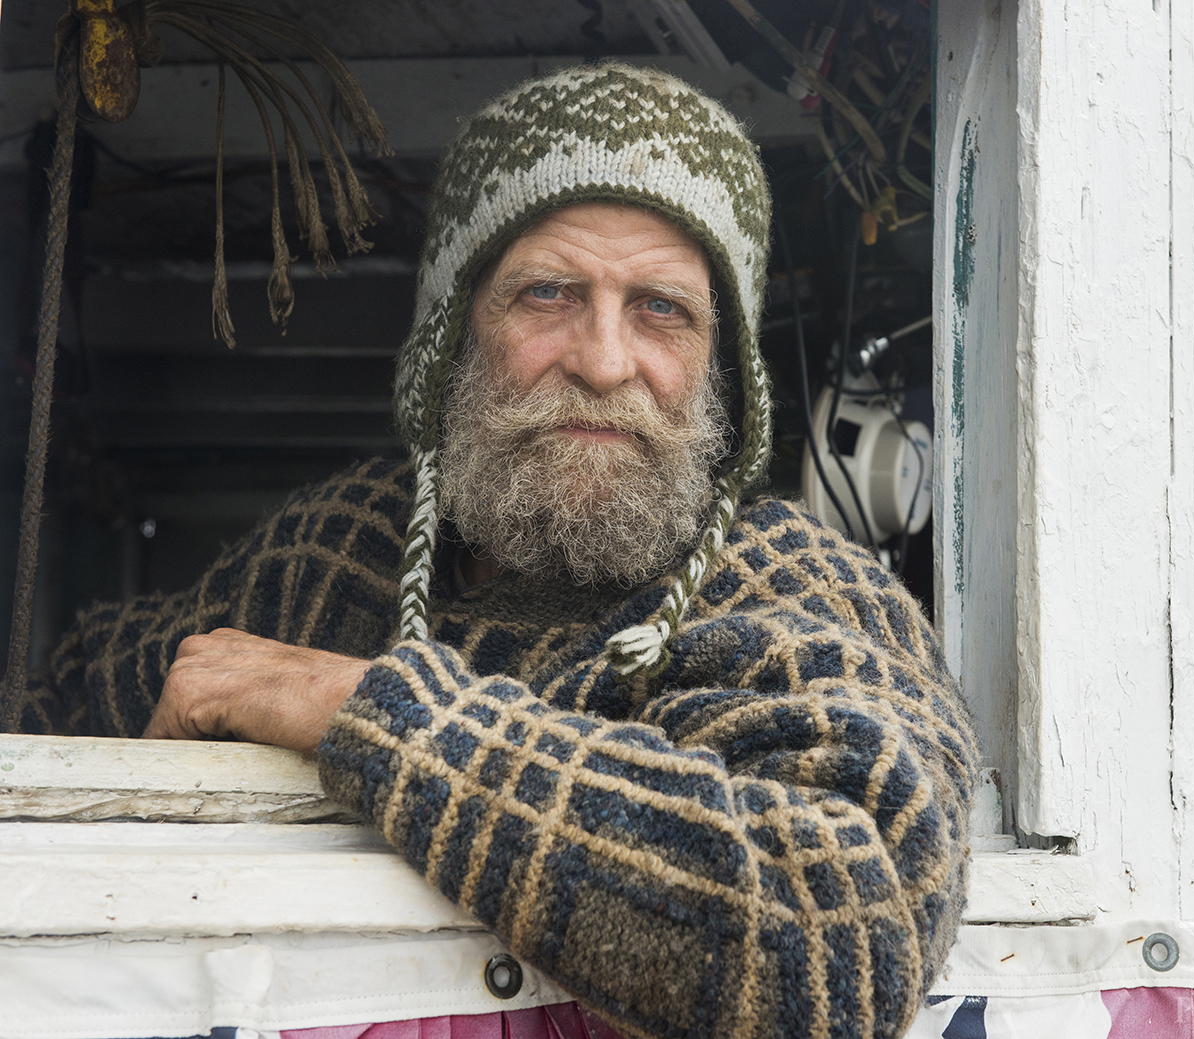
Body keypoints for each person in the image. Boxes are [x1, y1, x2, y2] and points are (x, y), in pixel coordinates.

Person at [23, 64, 977, 1039]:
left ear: (716, 365)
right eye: (550, 293)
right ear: (457, 333)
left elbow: (845, 930)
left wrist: (374, 712)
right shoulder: (333, 545)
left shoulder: (788, 587)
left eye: (661, 309)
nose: (604, 361)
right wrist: (138, 798)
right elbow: (59, 710)